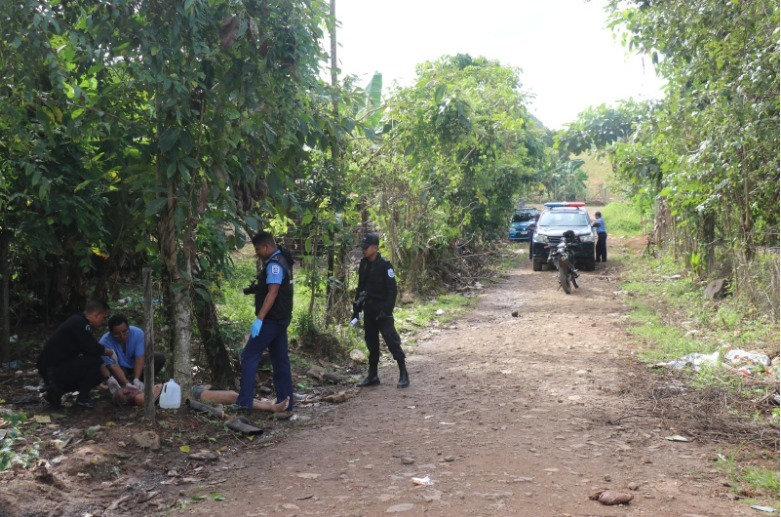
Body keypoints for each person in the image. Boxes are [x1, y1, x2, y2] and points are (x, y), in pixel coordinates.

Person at [235, 231, 295, 412]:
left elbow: (273, 291)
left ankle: (244, 403)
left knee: (248, 356)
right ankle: (286, 402)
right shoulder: (282, 259)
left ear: (267, 247)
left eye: (259, 249)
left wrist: (259, 319)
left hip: (272, 320)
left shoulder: (274, 265)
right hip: (281, 318)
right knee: (280, 360)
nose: (258, 253)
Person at [36, 300, 118, 409]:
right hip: (52, 370)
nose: (103, 322)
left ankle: (55, 391)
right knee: (95, 364)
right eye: (103, 318)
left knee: (94, 365)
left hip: (52, 368)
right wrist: (110, 352)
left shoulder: (78, 321)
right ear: (96, 315)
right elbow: (93, 348)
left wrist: (109, 378)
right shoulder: (80, 323)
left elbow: (88, 350)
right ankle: (82, 399)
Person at [353, 234, 409, 389]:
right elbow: (360, 287)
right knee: (371, 343)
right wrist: (356, 309)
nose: (363, 250)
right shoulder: (363, 264)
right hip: (369, 309)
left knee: (392, 341)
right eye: (362, 247)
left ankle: (403, 373)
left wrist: (386, 310)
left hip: (382, 309)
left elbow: (393, 290)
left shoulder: (385, 265)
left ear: (375, 248)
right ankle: (372, 375)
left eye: (366, 247)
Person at [107, 379, 289, 413]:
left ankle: (267, 404)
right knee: (234, 397)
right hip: (192, 397)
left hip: (189, 391)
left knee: (233, 395)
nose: (128, 389)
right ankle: (271, 408)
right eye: (125, 392)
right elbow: (158, 399)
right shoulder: (139, 399)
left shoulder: (138, 392)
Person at [99, 314, 165, 390]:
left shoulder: (138, 333)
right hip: (120, 368)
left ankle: (142, 383)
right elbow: (113, 366)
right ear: (111, 332)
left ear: (128, 327)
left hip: (134, 364)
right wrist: (127, 383)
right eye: (117, 334)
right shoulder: (104, 342)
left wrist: (136, 378)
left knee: (158, 357)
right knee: (119, 375)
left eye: (125, 331)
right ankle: (126, 385)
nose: (122, 336)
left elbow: (139, 357)